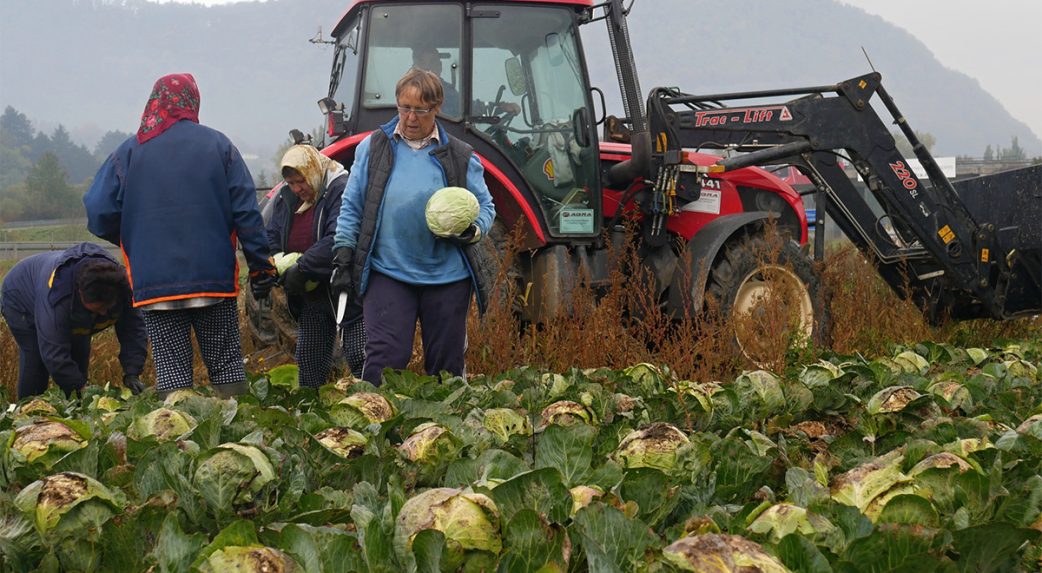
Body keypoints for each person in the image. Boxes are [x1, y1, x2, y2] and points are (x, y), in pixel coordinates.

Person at [83, 73, 276, 399]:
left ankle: (179, 443)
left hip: (154, 284)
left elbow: (98, 210)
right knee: (226, 364)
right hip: (212, 279)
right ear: (192, 101)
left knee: (172, 370)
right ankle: (239, 436)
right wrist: (261, 268)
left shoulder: (130, 152)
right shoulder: (219, 145)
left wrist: (135, 236)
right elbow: (247, 215)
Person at [330, 68, 496, 386]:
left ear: (436, 109)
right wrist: (343, 252)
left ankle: (443, 430)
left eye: (420, 110)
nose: (410, 117)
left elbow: (486, 206)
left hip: (447, 276)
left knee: (446, 366)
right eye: (404, 107)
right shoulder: (374, 149)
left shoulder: (460, 156)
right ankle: (376, 426)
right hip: (388, 272)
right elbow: (352, 206)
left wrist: (474, 230)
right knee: (385, 358)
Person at [266, 144, 365, 386]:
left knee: (358, 353)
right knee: (310, 359)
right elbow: (271, 234)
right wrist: (275, 263)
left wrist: (301, 267)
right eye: (291, 183)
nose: (297, 189)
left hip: (345, 287)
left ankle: (373, 405)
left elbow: (337, 237)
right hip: (312, 293)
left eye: (301, 181)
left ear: (312, 172)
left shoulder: (340, 189)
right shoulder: (286, 198)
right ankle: (311, 409)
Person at [0, 243, 147, 400]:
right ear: (80, 292)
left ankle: (74, 411)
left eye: (107, 307)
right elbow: (53, 353)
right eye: (96, 309)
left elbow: (134, 331)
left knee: (80, 353)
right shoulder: (58, 296)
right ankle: (27, 411)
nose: (103, 313)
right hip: (21, 296)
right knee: (36, 359)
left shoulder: (123, 289)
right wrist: (80, 387)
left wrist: (132, 372)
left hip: (70, 302)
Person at [412, 47, 461, 117]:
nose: (428, 67)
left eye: (432, 63)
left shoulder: (451, 94)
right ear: (415, 68)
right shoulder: (406, 92)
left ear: (440, 66)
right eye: (422, 63)